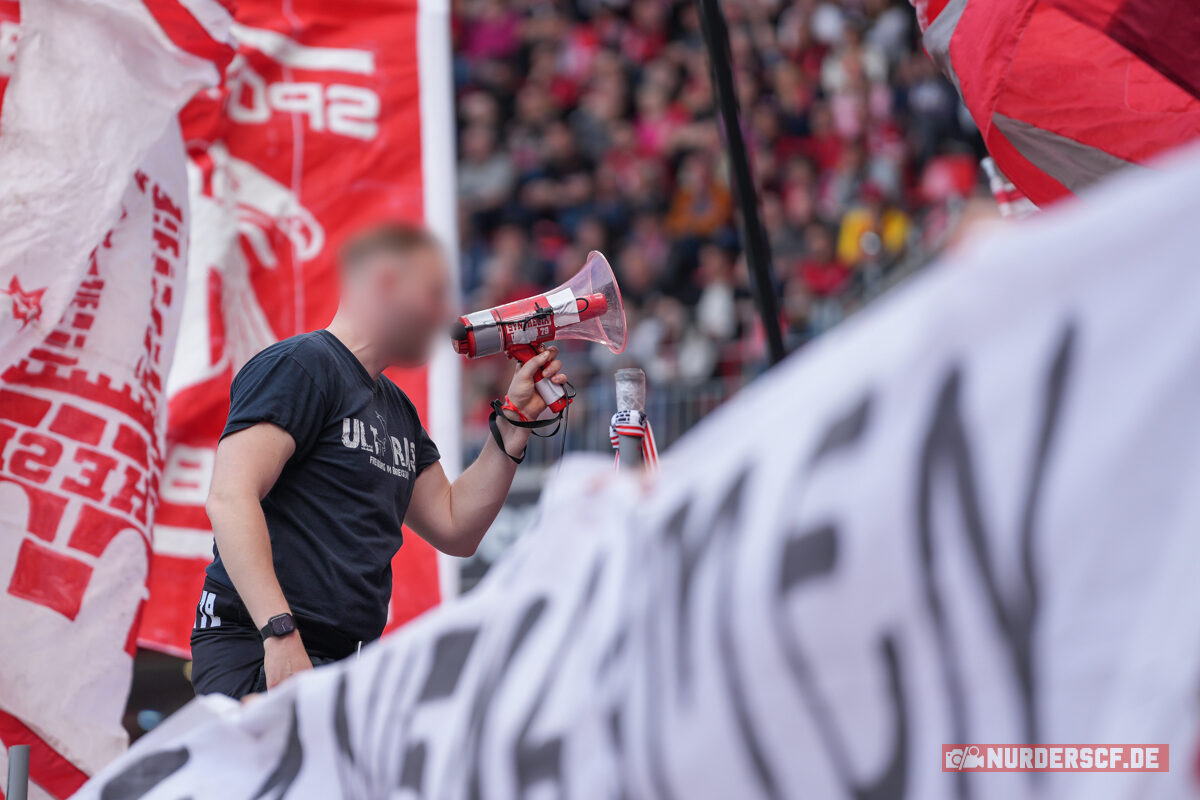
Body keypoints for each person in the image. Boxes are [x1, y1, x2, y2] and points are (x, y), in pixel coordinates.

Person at [189, 222, 567, 699]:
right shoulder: (301, 364)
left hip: (338, 656)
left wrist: (514, 423)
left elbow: (456, 527)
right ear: (385, 283)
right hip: (262, 642)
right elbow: (230, 498)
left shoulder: (395, 407)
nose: (444, 313)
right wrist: (279, 632)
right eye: (433, 294)